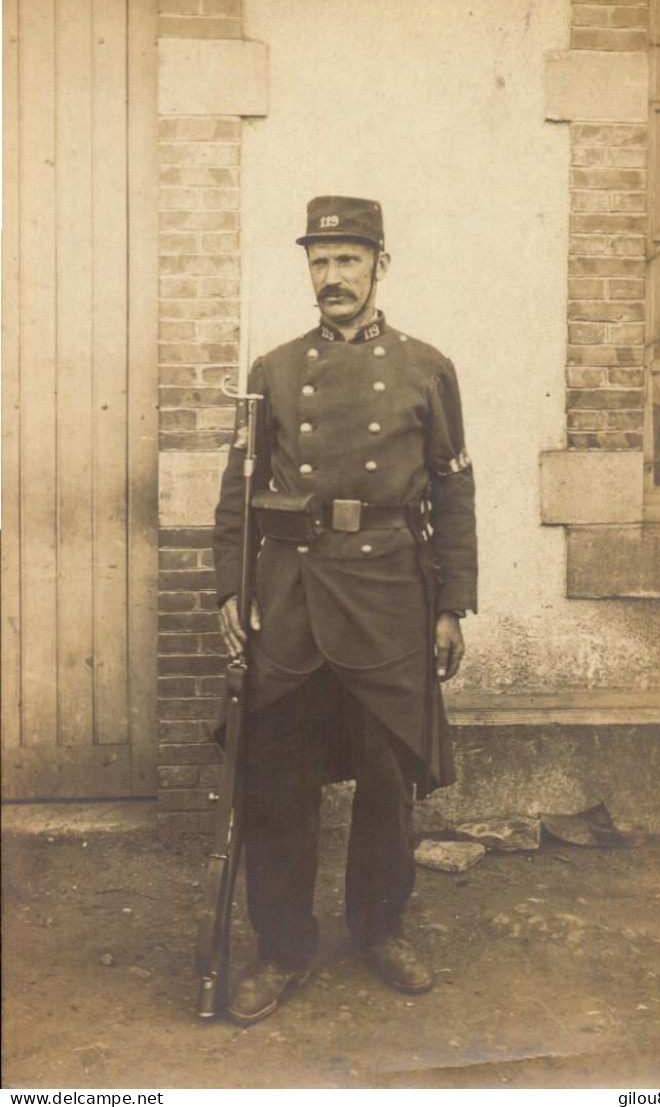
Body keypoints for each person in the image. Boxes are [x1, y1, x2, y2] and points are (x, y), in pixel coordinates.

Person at [213, 195, 477, 1025]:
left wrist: (452, 605)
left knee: (388, 782)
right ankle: (281, 947)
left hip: (391, 595)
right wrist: (232, 586)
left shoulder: (426, 368)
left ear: (379, 266)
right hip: (292, 597)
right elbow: (239, 495)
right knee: (278, 779)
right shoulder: (274, 371)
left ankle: (381, 928)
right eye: (320, 262)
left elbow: (452, 490)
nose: (332, 277)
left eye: (348, 261)